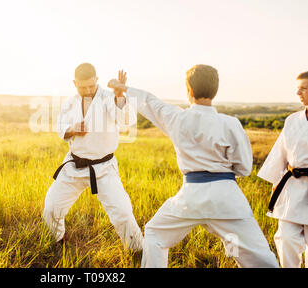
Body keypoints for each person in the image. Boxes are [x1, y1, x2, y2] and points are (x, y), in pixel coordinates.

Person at [108, 64, 279, 267]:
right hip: (228, 199)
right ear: (215, 90)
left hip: (190, 199)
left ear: (189, 90)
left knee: (155, 233)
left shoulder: (177, 117)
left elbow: (149, 101)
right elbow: (244, 168)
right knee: (260, 256)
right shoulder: (230, 123)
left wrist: (123, 88)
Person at [43, 63, 143, 252]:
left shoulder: (110, 98)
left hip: (104, 168)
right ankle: (58, 241)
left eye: (91, 85)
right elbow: (60, 126)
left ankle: (138, 251)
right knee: (51, 208)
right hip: (74, 165)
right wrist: (72, 130)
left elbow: (127, 121)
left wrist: (120, 96)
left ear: (97, 80)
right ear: (74, 83)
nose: (88, 90)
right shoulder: (70, 102)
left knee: (123, 213)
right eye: (83, 87)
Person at [257, 71, 308, 268]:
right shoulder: (292, 120)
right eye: (297, 88)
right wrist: (277, 179)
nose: (298, 93)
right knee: (285, 238)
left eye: (303, 88)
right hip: (293, 187)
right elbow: (281, 152)